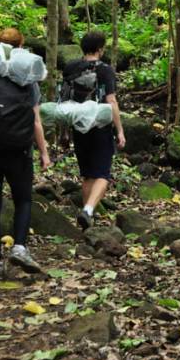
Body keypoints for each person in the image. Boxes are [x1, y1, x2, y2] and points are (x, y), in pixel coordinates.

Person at [0, 28, 51, 277]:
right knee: (23, 199)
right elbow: (35, 121)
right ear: (21, 46)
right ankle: (19, 247)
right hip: (18, 150)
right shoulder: (27, 79)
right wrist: (44, 152)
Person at [62, 30, 125, 230]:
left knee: (88, 174)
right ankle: (88, 210)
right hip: (100, 126)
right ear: (100, 49)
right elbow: (111, 100)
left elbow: (64, 98)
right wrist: (120, 130)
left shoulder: (71, 67)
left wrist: (63, 131)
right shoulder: (105, 70)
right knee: (103, 174)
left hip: (78, 125)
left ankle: (86, 220)